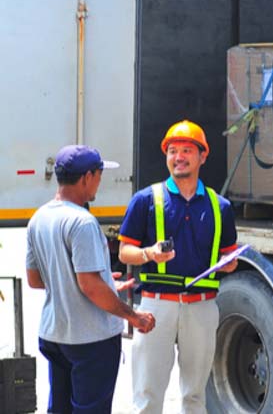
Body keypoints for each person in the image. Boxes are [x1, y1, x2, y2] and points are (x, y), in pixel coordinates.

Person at [118, 120, 239, 413]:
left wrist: (230, 264)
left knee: (195, 396)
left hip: (201, 306)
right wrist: (148, 253)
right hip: (156, 307)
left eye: (186, 150)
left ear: (202, 157)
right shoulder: (145, 199)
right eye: (173, 151)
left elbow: (230, 258)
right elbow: (124, 252)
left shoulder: (219, 206)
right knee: (147, 396)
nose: (179, 157)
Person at [26, 145, 156, 414]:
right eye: (98, 175)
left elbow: (36, 280)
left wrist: (106, 283)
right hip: (89, 340)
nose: (99, 182)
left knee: (59, 409)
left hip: (55, 335)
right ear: (86, 177)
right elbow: (89, 285)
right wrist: (133, 316)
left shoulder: (38, 218)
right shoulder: (82, 222)